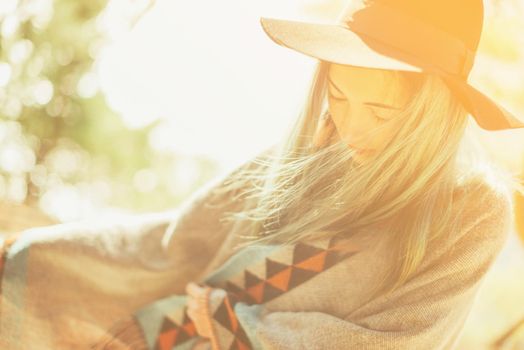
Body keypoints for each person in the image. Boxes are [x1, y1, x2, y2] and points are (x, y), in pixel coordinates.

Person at [1, 0, 523, 349]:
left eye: (384, 114)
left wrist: (241, 326)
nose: (352, 125)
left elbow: (400, 341)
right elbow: (171, 243)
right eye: (339, 97)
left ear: (432, 118)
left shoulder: (472, 209)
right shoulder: (308, 155)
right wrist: (29, 254)